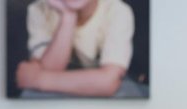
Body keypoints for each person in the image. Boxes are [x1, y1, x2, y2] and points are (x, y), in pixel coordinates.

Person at [16, 0, 146, 98]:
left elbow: (109, 82)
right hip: (62, 87)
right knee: (32, 95)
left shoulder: (117, 10)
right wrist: (68, 16)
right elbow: (48, 70)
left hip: (114, 87)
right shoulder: (38, 9)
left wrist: (39, 79)